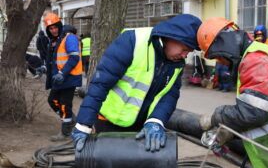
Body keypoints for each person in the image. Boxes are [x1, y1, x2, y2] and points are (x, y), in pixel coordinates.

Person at [72, 14, 202, 153]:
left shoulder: (175, 63)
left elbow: (170, 94)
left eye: (188, 52)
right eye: (184, 49)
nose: (185, 56)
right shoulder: (132, 41)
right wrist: (84, 124)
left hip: (142, 126)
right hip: (108, 121)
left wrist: (156, 121)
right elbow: (100, 84)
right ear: (172, 37)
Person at [197, 17, 268, 168]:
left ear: (225, 44)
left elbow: (252, 113)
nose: (219, 62)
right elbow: (263, 107)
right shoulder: (255, 56)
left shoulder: (255, 61)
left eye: (217, 56)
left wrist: (216, 117)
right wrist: (231, 132)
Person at [44, 13, 82, 142]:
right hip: (59, 79)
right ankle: (71, 120)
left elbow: (74, 58)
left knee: (65, 105)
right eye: (50, 28)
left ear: (59, 26)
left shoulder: (69, 38)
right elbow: (53, 61)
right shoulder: (54, 41)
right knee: (52, 100)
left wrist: (62, 73)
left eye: (55, 27)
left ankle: (65, 132)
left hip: (68, 78)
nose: (53, 30)